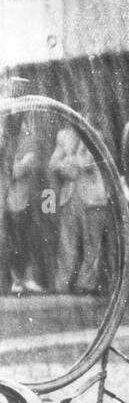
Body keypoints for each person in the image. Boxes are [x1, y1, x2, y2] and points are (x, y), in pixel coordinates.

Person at [48, 124, 109, 294]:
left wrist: (66, 163)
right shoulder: (63, 134)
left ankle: (86, 285)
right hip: (70, 195)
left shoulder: (95, 134)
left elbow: (88, 163)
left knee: (92, 244)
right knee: (66, 242)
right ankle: (61, 285)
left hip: (93, 197)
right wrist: (67, 165)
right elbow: (53, 164)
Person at [2, 115, 46, 294]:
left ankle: (24, 278)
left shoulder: (29, 140)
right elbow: (12, 169)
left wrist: (17, 165)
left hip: (27, 198)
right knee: (12, 239)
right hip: (11, 199)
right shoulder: (8, 141)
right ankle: (15, 279)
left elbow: (20, 168)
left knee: (25, 239)